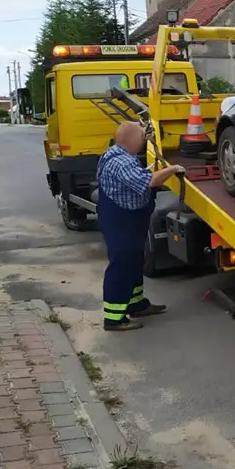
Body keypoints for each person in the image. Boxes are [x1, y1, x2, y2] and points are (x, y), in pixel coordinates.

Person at [96, 121, 185, 330]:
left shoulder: (115, 155)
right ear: (132, 140)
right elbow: (148, 182)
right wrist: (172, 169)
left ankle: (136, 304)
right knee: (122, 265)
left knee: (134, 261)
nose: (144, 140)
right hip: (121, 222)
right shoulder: (121, 162)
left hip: (127, 221)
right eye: (142, 137)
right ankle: (114, 318)